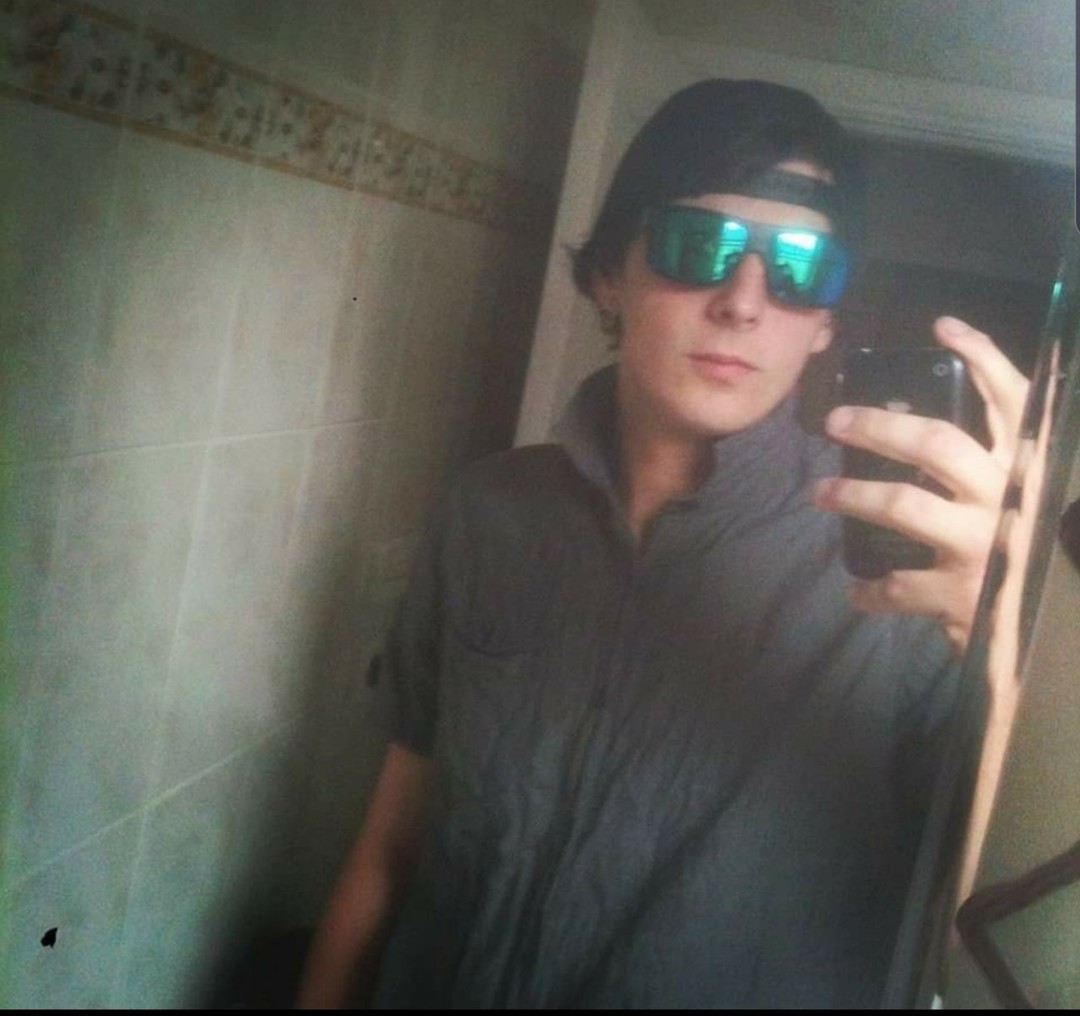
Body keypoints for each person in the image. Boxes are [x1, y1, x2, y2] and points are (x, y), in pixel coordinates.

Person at [296, 79, 1028, 1008]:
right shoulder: (487, 513)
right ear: (611, 274)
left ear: (825, 323)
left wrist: (1000, 648)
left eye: (799, 268)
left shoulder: (909, 578)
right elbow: (389, 851)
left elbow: (990, 917)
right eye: (697, 245)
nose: (744, 301)